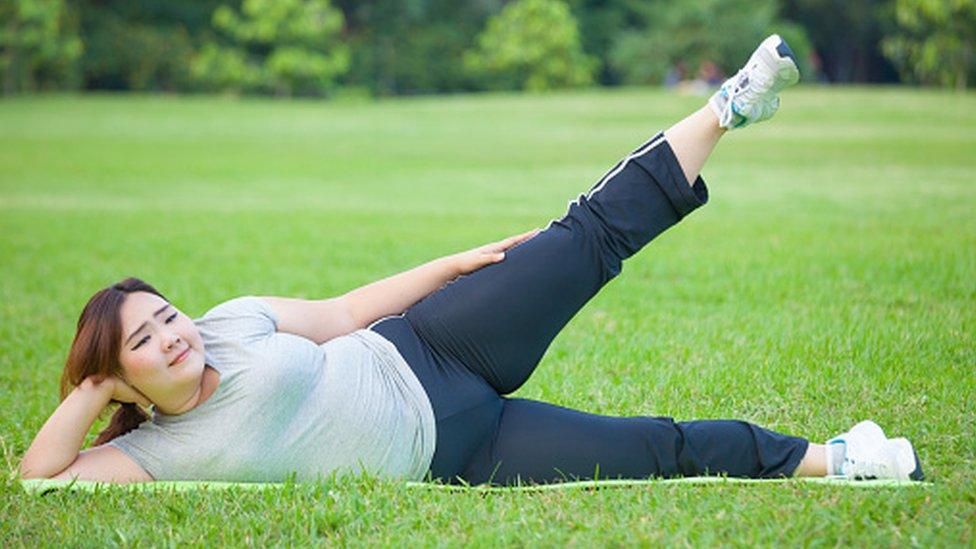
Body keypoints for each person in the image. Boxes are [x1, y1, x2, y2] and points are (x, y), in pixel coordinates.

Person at [19, 35, 923, 486]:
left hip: (428, 345)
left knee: (581, 239)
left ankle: (731, 105)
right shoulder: (155, 455)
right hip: (458, 447)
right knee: (652, 447)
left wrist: (447, 265)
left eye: (164, 313)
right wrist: (97, 390)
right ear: (119, 378)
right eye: (144, 339)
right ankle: (840, 460)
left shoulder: (231, 324)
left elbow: (340, 313)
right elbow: (39, 481)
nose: (174, 334)